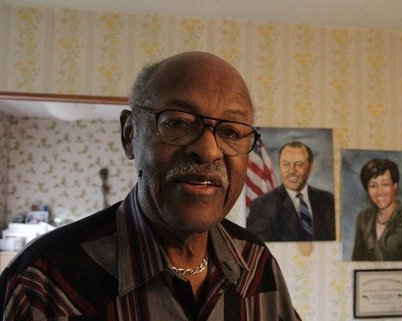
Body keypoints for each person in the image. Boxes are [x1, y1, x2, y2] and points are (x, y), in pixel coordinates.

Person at [0, 52, 301, 321]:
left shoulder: (257, 264)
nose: (209, 151)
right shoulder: (43, 284)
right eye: (179, 123)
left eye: (232, 131)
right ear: (130, 135)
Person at [246, 141, 335, 242]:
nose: (292, 171)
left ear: (310, 168)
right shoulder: (262, 206)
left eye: (298, 164)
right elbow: (258, 249)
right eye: (286, 164)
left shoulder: (328, 201)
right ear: (279, 167)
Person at [351, 158, 402, 261]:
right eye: (373, 186)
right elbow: (356, 261)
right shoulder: (363, 218)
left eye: (385, 184)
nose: (379, 191)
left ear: (395, 186)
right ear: (367, 190)